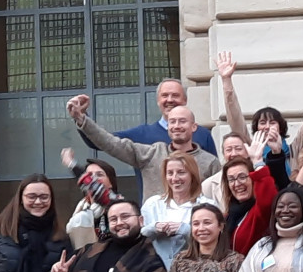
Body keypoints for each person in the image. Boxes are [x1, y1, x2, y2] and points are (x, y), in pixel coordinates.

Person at [70, 79, 216, 190]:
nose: (170, 99)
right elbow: (106, 142)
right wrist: (81, 117)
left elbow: (216, 183)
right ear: (158, 100)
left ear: (185, 100)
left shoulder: (203, 136)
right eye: (165, 95)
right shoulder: (145, 143)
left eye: (175, 95)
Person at [217, 51, 303, 176]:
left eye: (272, 122)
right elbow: (235, 119)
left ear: (280, 127)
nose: (267, 127)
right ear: (256, 128)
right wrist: (226, 81)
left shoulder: (294, 150)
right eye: (262, 123)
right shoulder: (250, 149)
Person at [61, 151, 120, 248]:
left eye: (99, 175)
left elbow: (94, 188)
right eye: (90, 175)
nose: (94, 179)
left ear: (111, 183)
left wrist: (72, 164)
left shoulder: (117, 203)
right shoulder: (81, 208)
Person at [201, 132, 251, 209]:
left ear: (248, 152)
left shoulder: (258, 177)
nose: (233, 154)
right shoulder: (208, 186)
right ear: (223, 154)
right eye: (228, 150)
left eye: (238, 149)